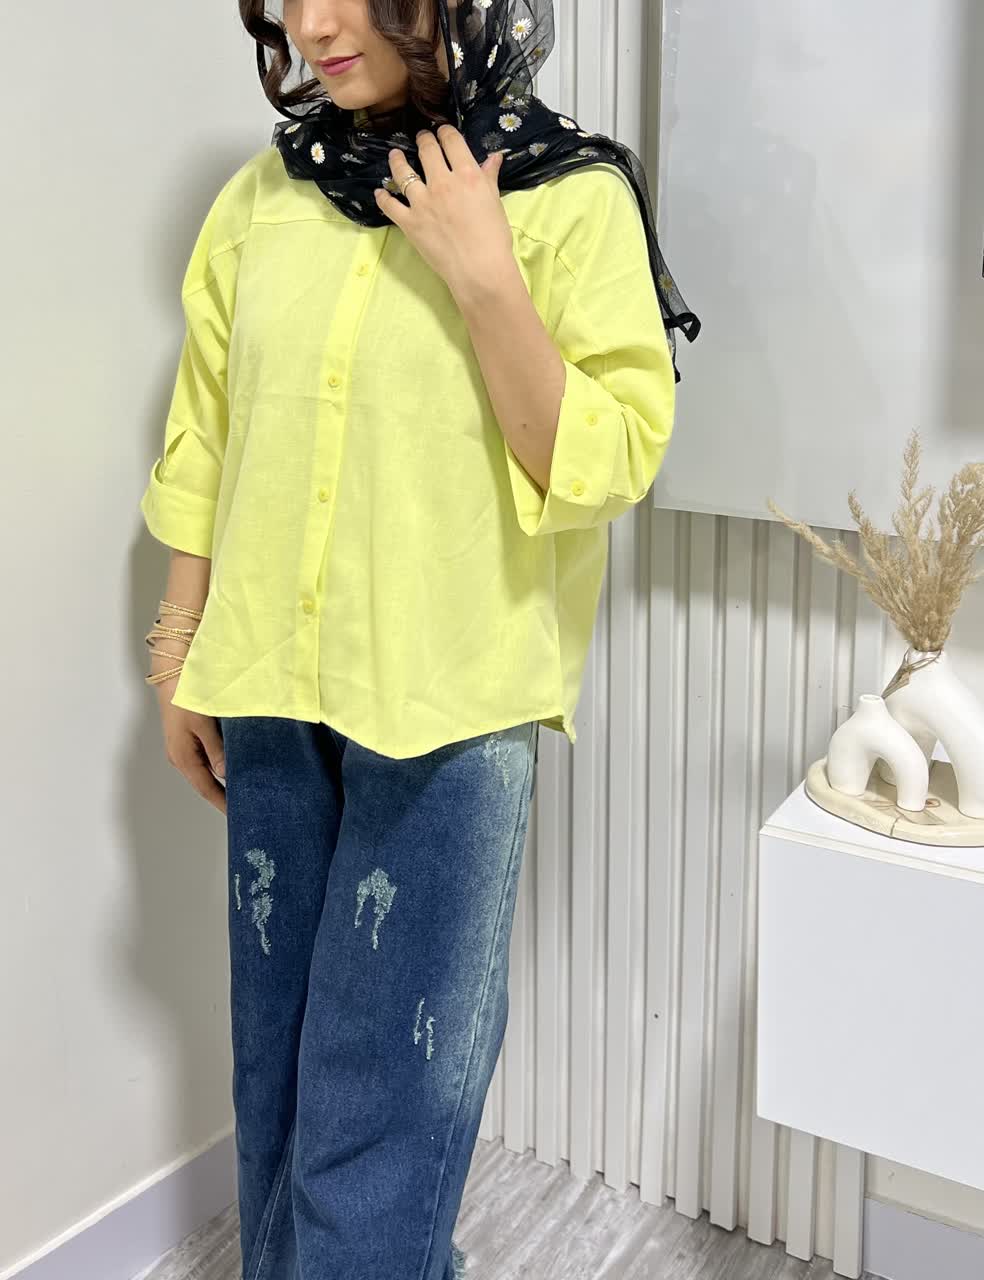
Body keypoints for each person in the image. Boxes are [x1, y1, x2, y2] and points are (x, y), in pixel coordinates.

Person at [139, 1, 698, 1276]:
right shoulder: (262, 200)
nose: (314, 24)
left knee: (385, 1101)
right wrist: (181, 647)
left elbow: (607, 463)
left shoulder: (568, 197)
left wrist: (484, 271)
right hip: (272, 689)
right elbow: (207, 432)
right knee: (278, 1071)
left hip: (450, 713)